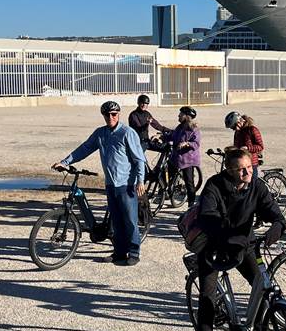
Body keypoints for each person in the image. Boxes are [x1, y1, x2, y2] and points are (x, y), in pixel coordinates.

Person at [194, 148, 286, 331]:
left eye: (249, 167)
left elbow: (273, 211)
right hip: (214, 248)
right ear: (229, 170)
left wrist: (277, 225)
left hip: (244, 247)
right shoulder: (215, 186)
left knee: (263, 288)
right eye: (241, 169)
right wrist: (228, 235)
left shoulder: (256, 185)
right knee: (207, 301)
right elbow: (207, 217)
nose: (247, 172)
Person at [53, 101, 146, 265]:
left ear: (119, 114)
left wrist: (140, 180)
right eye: (107, 115)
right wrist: (65, 162)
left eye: (114, 114)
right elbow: (85, 148)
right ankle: (119, 252)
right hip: (111, 184)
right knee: (116, 221)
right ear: (103, 115)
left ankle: (133, 252)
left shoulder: (127, 133)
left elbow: (139, 159)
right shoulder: (101, 133)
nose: (111, 117)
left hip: (127, 184)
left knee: (130, 220)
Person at [165, 106, 201, 207]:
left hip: (188, 160)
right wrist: (161, 136)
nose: (179, 116)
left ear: (186, 116)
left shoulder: (194, 129)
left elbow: (196, 143)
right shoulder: (179, 127)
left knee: (189, 183)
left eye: (180, 114)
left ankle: (191, 204)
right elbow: (172, 136)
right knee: (166, 173)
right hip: (176, 158)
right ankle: (166, 192)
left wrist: (187, 144)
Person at [224, 111, 264, 178]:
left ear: (239, 122)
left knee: (251, 184)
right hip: (241, 162)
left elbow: (260, 146)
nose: (234, 129)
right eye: (232, 128)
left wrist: (248, 148)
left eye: (234, 127)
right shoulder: (237, 132)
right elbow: (236, 146)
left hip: (252, 163)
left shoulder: (252, 130)